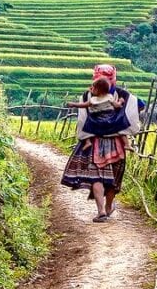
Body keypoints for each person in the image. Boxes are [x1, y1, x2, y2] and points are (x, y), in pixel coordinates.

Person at [60, 65, 145, 222]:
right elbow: (139, 107)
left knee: (97, 177)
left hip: (96, 144)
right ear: (114, 79)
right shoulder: (124, 96)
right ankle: (108, 207)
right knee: (113, 179)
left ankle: (101, 211)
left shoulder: (88, 97)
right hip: (118, 143)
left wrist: (85, 138)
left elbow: (82, 120)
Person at [65, 77, 125, 151]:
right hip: (110, 120)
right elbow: (117, 105)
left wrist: (73, 104)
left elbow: (83, 105)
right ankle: (127, 144)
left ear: (97, 90)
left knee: (86, 124)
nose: (91, 90)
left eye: (92, 88)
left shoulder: (93, 100)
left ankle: (87, 141)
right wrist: (121, 101)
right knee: (121, 126)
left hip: (97, 121)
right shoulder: (110, 97)